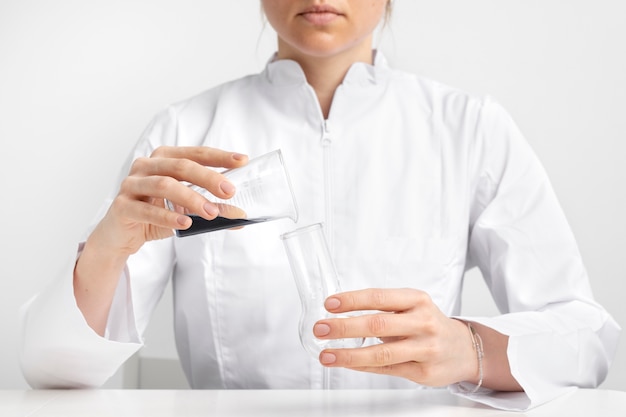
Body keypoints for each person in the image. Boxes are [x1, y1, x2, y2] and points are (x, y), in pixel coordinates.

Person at [19, 0, 619, 411]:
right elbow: (52, 372)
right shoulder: (184, 133)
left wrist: (471, 347)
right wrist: (104, 249)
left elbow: (585, 339)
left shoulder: (468, 128)